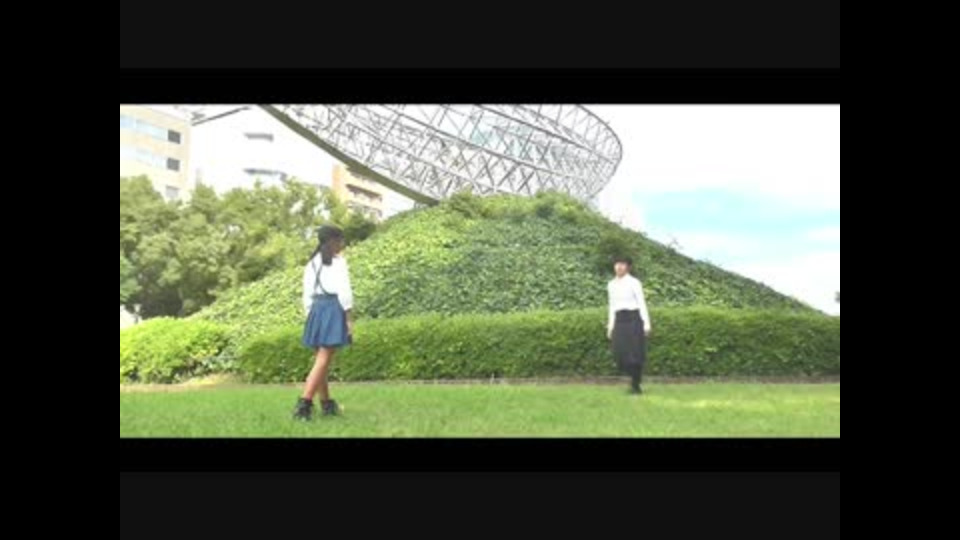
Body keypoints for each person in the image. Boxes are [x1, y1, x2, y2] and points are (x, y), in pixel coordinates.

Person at [293, 225, 354, 420]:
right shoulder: (338, 263)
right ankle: (304, 404)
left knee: (321, 362)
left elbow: (306, 294)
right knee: (323, 360)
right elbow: (344, 291)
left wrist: (310, 315)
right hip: (333, 307)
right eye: (340, 240)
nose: (342, 244)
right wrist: (348, 318)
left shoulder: (311, 263)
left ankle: (327, 404)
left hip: (316, 309)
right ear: (332, 241)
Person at [606, 255, 651, 395]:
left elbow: (641, 303)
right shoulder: (611, 284)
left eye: (622, 264)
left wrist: (646, 323)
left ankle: (635, 385)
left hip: (634, 318)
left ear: (628, 267)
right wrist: (610, 325)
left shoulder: (634, 282)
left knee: (635, 353)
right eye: (617, 264)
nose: (619, 267)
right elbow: (612, 306)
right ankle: (633, 379)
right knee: (619, 352)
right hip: (620, 319)